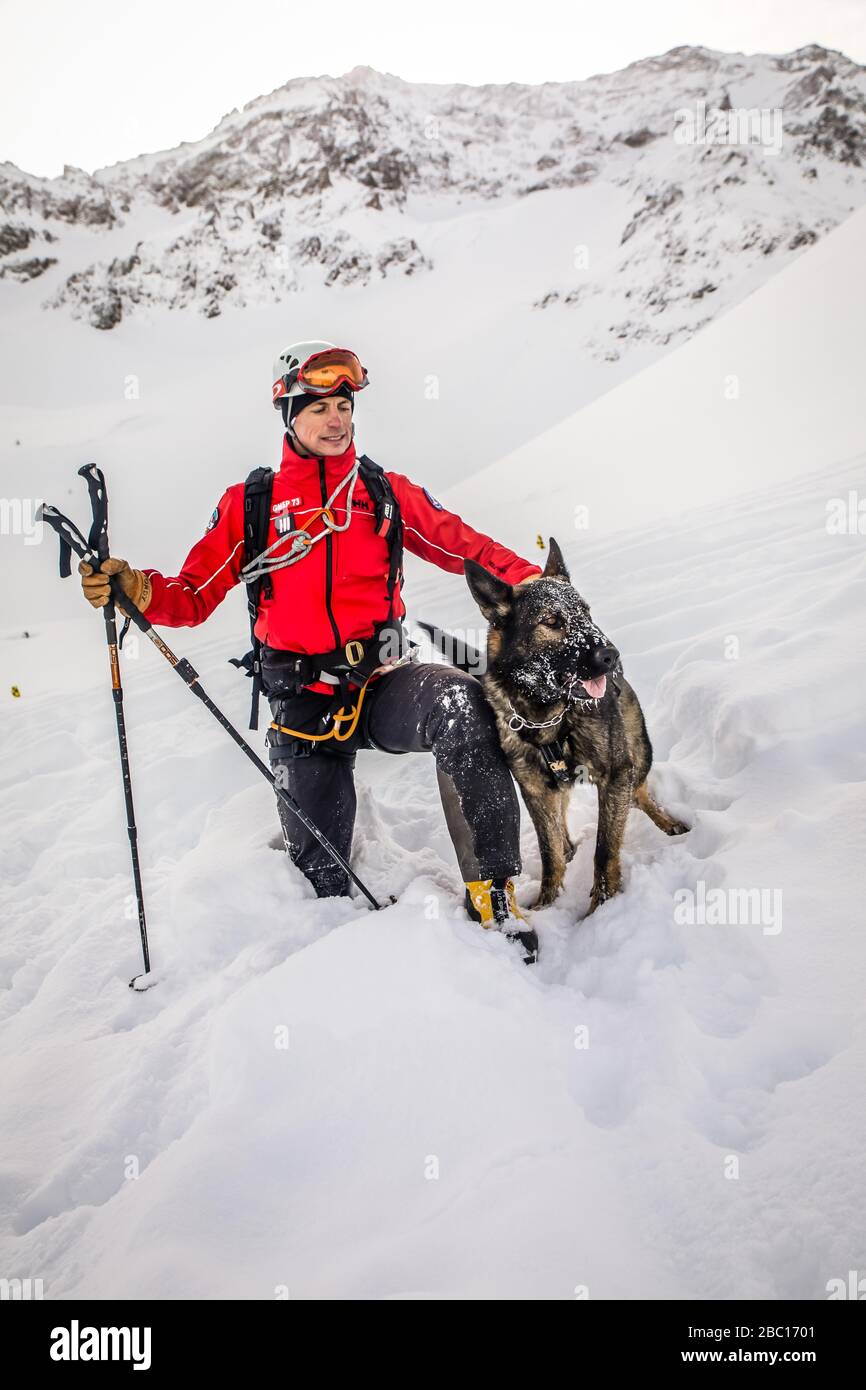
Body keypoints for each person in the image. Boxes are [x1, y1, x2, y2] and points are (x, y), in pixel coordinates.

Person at [80, 341, 544, 959]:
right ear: (289, 413)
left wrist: (539, 587)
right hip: (301, 702)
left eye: (344, 405)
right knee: (321, 881)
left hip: (383, 681)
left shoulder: (383, 492)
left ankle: (493, 895)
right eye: (319, 405)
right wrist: (134, 588)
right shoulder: (253, 505)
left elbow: (467, 548)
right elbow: (190, 596)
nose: (336, 419)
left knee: (462, 703)